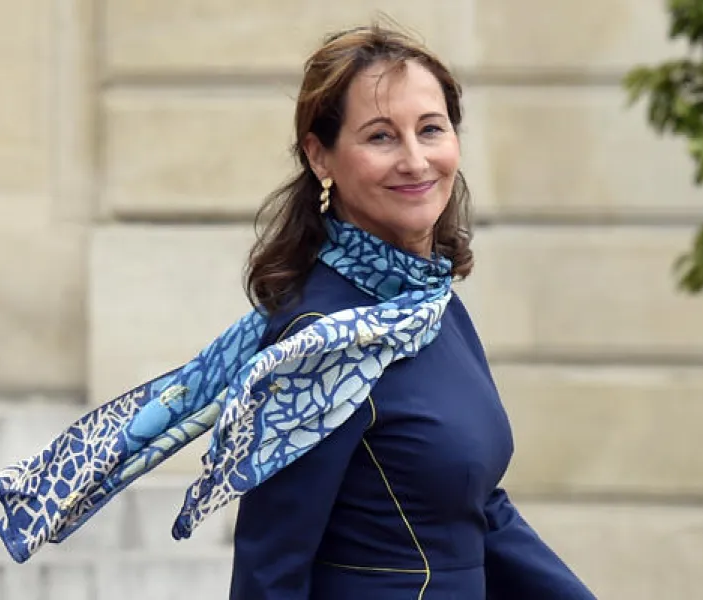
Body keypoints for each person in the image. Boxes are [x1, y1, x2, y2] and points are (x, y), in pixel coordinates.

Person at [228, 25, 596, 599]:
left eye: (431, 129)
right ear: (319, 155)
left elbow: (477, 507)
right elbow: (269, 568)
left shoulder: (431, 306)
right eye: (381, 137)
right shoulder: (323, 340)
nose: (416, 159)